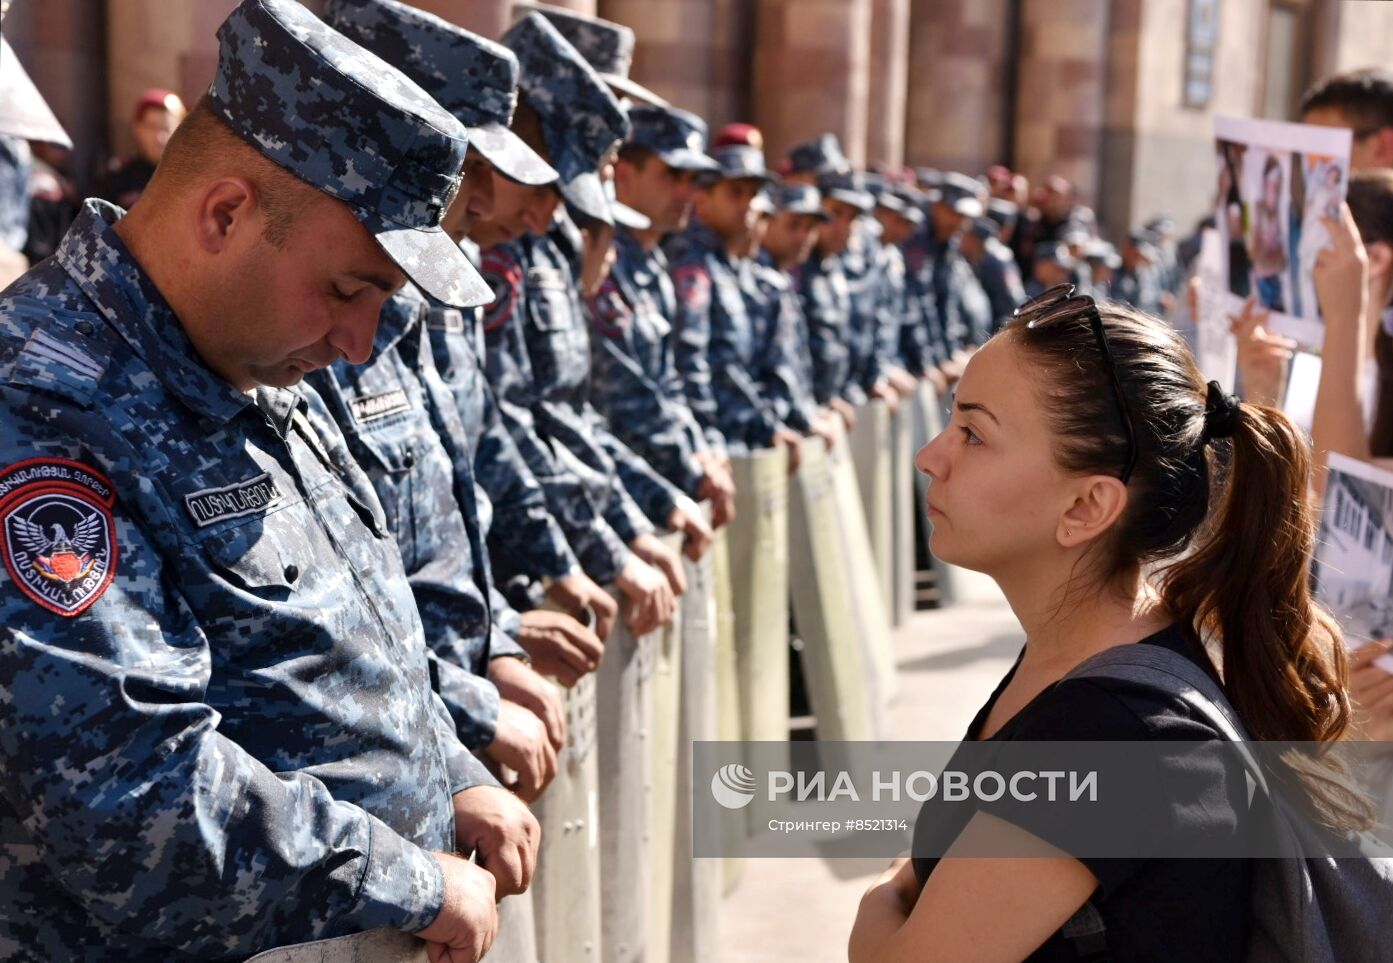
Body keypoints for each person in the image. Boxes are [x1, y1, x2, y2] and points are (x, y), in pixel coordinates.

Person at [0, 0, 543, 958]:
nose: (359, 342)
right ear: (224, 214)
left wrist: (447, 767)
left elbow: (350, 634)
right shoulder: (40, 409)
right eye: (347, 289)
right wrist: (405, 878)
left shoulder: (246, 353)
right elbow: (132, 796)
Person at [849, 284, 1371, 961]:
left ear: (1087, 506)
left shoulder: (1116, 731)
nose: (930, 456)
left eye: (973, 434)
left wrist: (882, 895)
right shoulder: (1078, 662)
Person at [482, 12, 682, 634]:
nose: (612, 139)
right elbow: (509, 425)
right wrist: (598, 550)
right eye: (602, 103)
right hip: (515, 576)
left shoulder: (552, 236)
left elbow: (575, 414)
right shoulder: (498, 245)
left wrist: (627, 524)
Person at [589, 102, 737, 528]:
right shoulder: (602, 260)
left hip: (662, 489)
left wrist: (702, 446)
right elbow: (624, 396)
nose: (688, 193)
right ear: (624, 175)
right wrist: (693, 465)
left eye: (694, 180)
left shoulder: (653, 265)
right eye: (673, 175)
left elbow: (671, 381)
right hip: (622, 498)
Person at [666, 137, 804, 464]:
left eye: (752, 194)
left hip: (735, 441)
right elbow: (693, 365)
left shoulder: (726, 263)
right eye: (734, 193)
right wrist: (709, 439)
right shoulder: (691, 261)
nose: (747, 205)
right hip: (711, 448)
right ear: (704, 197)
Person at [98, 88, 187, 210]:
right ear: (137, 128)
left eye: (167, 128)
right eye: (152, 127)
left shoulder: (190, 176)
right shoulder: (118, 176)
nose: (159, 137)